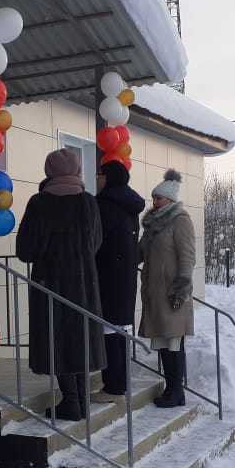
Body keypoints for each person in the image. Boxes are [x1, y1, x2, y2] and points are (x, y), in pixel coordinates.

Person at [17, 148, 106, 421]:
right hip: (83, 284)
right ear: (77, 171)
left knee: (56, 338)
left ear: (49, 171)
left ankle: (71, 402)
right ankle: (79, 400)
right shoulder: (88, 202)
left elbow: (25, 250)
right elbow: (96, 244)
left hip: (49, 283)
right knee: (79, 337)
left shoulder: (39, 203)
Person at [138, 169, 196, 408]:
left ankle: (176, 392)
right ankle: (171, 389)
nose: (154, 202)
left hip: (173, 295)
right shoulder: (153, 225)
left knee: (174, 344)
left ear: (170, 200)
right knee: (163, 343)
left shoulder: (180, 220)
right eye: (153, 198)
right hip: (155, 295)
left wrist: (181, 289)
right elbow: (140, 253)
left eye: (159, 198)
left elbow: (187, 257)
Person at [92, 159, 146, 401]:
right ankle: (119, 382)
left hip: (106, 276)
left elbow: (96, 242)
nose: (97, 179)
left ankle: (113, 386)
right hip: (125, 276)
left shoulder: (104, 204)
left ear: (109, 177)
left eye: (100, 174)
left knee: (108, 332)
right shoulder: (129, 204)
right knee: (119, 332)